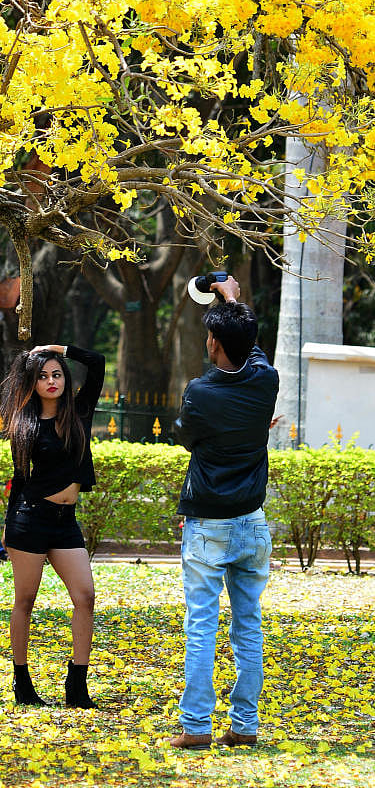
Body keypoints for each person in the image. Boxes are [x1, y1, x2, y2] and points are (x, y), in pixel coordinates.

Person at [169, 276, 279, 750]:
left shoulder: (200, 392)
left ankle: (196, 728)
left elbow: (187, 437)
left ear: (212, 342)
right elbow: (254, 353)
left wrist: (226, 306)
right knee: (248, 627)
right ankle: (245, 725)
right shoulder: (266, 381)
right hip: (252, 523)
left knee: (201, 624)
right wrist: (232, 301)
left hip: (209, 524)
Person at [0, 342, 105, 709]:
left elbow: (97, 360)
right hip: (30, 519)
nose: (51, 381)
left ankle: (77, 684)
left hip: (65, 523)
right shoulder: (24, 423)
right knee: (25, 600)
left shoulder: (79, 412)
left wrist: (57, 348)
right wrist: (9, 525)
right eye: (43, 376)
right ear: (33, 382)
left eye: (57, 374)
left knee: (85, 595)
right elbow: (19, 479)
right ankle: (22, 682)